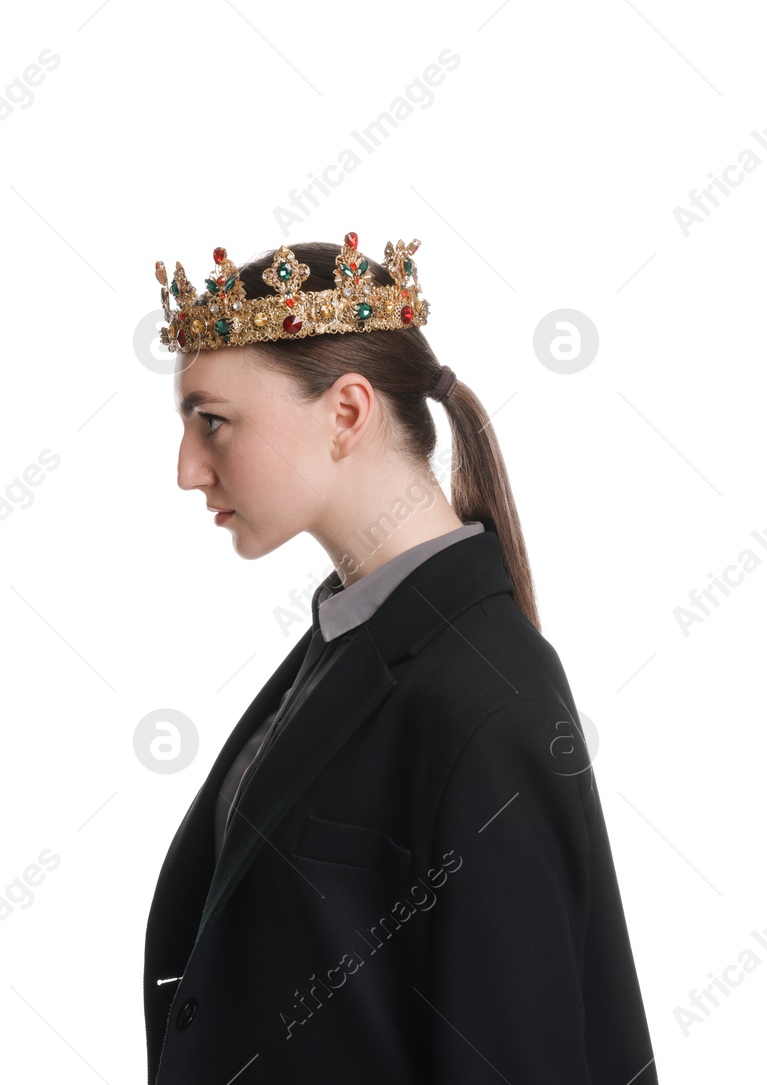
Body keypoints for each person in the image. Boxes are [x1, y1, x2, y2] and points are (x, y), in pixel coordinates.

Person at [142, 235, 656, 1083]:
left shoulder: (485, 699)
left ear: (347, 412)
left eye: (213, 421)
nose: (188, 468)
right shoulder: (347, 643)